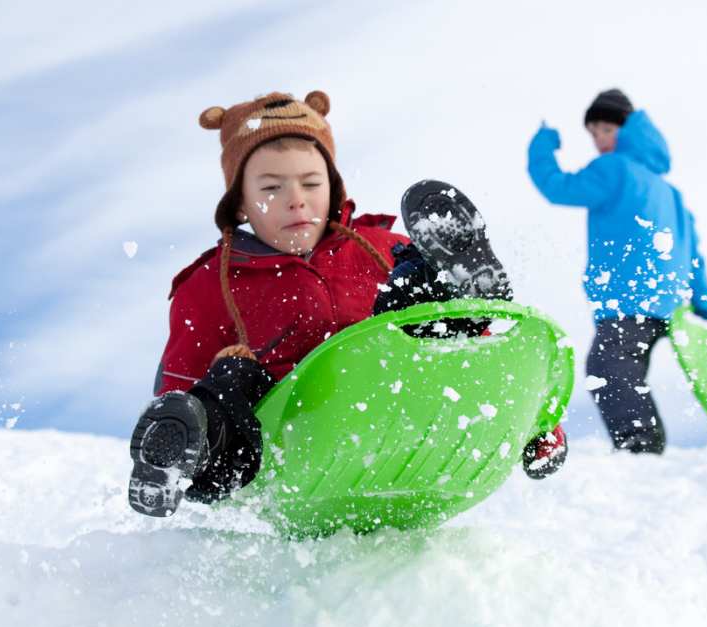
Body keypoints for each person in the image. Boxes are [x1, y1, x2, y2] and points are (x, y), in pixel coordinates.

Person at [128, 90, 567, 517]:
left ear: (334, 188)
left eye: (311, 182)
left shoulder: (378, 245)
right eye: (271, 187)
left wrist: (535, 426)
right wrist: (181, 423)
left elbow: (476, 358)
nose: (295, 198)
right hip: (289, 443)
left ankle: (452, 283)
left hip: (402, 405)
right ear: (240, 204)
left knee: (412, 297)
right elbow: (177, 385)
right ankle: (183, 459)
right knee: (231, 377)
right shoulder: (209, 282)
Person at [527, 89, 707, 455]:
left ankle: (641, 449)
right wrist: (703, 301)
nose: (598, 140)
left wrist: (542, 147)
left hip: (629, 298)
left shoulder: (613, 169)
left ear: (625, 129)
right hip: (668, 306)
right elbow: (693, 251)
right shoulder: (671, 192)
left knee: (608, 370)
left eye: (604, 130)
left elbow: (559, 187)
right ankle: (644, 446)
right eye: (593, 133)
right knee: (625, 372)